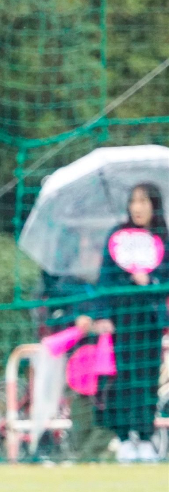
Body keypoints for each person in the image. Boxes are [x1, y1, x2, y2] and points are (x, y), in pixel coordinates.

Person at [86, 183, 169, 455]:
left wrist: (151, 281)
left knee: (147, 378)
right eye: (134, 201)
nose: (138, 207)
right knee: (122, 378)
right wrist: (103, 315)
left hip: (150, 320)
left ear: (154, 205)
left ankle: (145, 437)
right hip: (122, 320)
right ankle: (123, 439)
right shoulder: (117, 236)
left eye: (144, 201)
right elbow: (104, 279)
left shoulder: (163, 237)